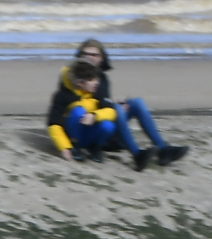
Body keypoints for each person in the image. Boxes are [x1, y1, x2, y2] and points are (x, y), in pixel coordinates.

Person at [45, 38, 188, 167]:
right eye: (85, 54)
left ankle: (163, 149)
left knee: (136, 103)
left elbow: (103, 104)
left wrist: (113, 105)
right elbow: (74, 107)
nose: (89, 57)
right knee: (116, 110)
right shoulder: (71, 78)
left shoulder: (102, 79)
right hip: (84, 127)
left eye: (94, 55)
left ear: (101, 58)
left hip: (101, 120)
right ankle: (137, 154)